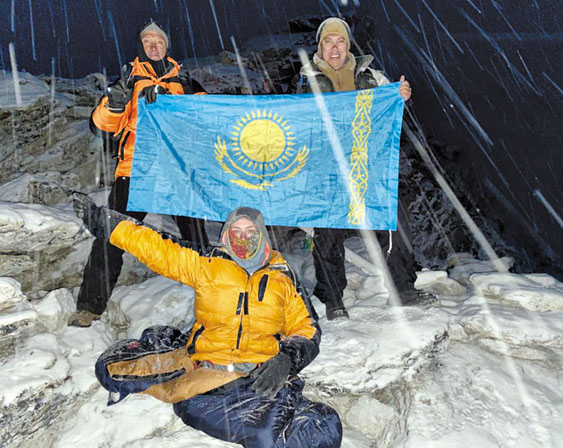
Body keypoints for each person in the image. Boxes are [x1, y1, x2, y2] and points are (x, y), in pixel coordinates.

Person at [72, 193, 342, 448]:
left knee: (322, 425)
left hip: (261, 373)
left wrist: (286, 360)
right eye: (236, 232)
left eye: (250, 232)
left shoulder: (283, 277)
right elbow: (158, 247)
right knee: (265, 432)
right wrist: (109, 224)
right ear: (226, 235)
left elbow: (307, 329)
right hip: (207, 373)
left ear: (262, 236)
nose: (243, 238)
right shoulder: (208, 264)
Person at [69, 20, 209, 327]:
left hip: (177, 170)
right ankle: (90, 306)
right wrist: (116, 103)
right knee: (113, 234)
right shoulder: (128, 81)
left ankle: (213, 296)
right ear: (140, 47)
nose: (154, 45)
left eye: (159, 40)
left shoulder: (186, 82)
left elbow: (208, 121)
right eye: (147, 41)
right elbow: (101, 127)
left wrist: (176, 106)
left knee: (196, 239)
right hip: (135, 169)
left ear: (167, 45)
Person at [296, 17, 423, 320]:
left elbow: (393, 110)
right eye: (328, 41)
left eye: (340, 41)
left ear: (348, 44)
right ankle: (332, 299)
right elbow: (297, 124)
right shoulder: (305, 81)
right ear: (320, 47)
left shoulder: (372, 77)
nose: (335, 47)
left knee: (394, 223)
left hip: (369, 169)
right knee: (326, 236)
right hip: (328, 172)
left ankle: (402, 289)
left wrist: (401, 96)